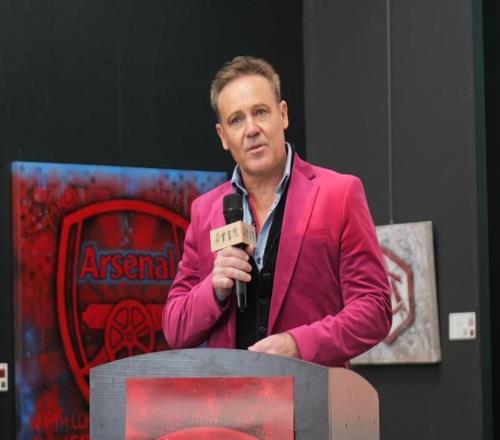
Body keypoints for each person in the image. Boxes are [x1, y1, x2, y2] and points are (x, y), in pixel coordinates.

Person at [162, 56, 392, 367]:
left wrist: (299, 345)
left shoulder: (339, 194)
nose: (251, 129)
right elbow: (174, 328)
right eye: (236, 120)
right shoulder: (206, 211)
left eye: (260, 112)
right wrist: (213, 289)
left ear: (282, 115)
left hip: (310, 392)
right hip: (230, 396)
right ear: (223, 136)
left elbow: (375, 309)